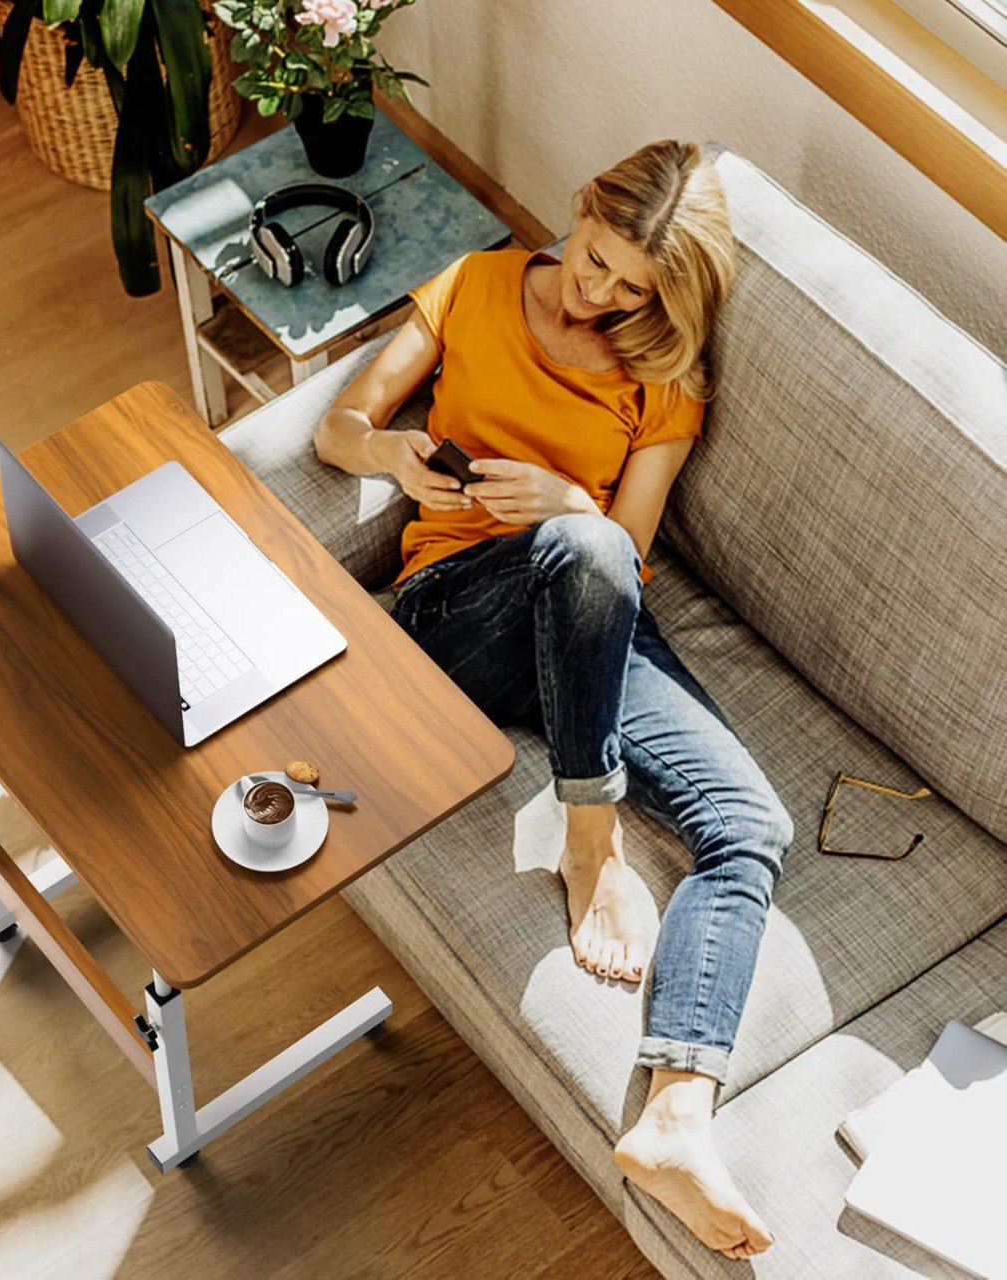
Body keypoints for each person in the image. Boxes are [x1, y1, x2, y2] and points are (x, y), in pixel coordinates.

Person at [313, 140, 794, 1259]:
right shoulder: (476, 286)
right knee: (571, 550)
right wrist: (396, 457)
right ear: (577, 212)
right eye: (593, 261)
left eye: (632, 287)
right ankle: (592, 838)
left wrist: (570, 497)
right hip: (454, 613)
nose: (599, 294)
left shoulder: (663, 372)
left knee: (749, 827)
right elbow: (339, 424)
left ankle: (674, 1115)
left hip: (591, 614)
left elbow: (620, 547)